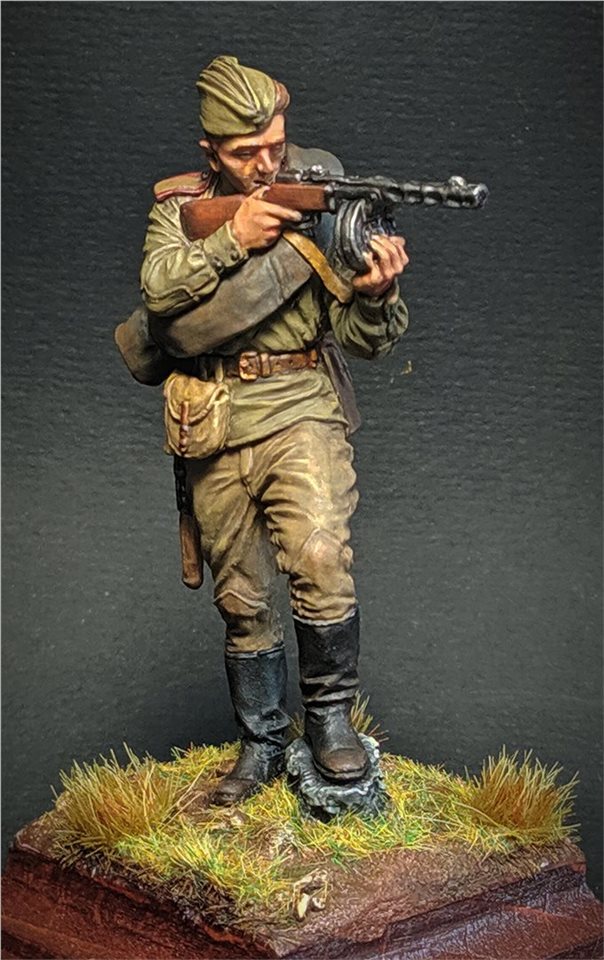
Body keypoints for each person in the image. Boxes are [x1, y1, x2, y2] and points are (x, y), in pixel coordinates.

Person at [131, 55, 410, 806]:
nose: (265, 164)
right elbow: (158, 291)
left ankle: (330, 721)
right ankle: (261, 740)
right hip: (214, 417)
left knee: (320, 555)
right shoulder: (179, 209)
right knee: (241, 593)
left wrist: (377, 294)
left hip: (300, 404)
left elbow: (364, 340)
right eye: (245, 152)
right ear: (209, 152)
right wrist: (233, 238)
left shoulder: (317, 195)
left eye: (276, 146)